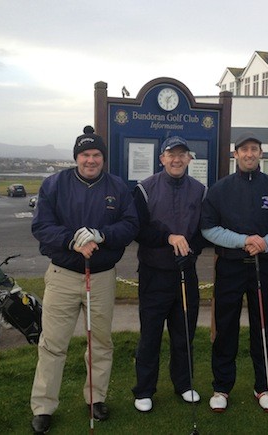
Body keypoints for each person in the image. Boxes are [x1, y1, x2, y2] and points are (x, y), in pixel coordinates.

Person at [30, 126, 139, 434]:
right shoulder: (54, 184)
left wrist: (101, 235)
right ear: (76, 157)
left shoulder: (117, 187)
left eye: (96, 155)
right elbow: (41, 226)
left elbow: (131, 225)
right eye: (85, 155)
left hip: (102, 277)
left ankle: (96, 398)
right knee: (52, 344)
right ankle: (43, 406)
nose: (91, 160)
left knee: (100, 342)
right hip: (63, 275)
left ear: (103, 158)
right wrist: (72, 240)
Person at [201, 132, 268, 412]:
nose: (249, 154)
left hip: (262, 267)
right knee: (226, 328)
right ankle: (222, 387)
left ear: (261, 154)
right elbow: (208, 228)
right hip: (229, 266)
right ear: (235, 155)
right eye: (243, 150)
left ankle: (263, 387)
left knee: (262, 328)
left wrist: (265, 242)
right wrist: (243, 241)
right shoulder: (220, 189)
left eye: (254, 149)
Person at [131, 136, 207, 412]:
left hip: (186, 273)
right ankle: (144, 390)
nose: (176, 159)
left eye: (181, 154)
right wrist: (169, 237)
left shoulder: (200, 190)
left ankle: (184, 384)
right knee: (150, 335)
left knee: (184, 334)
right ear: (161, 159)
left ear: (189, 158)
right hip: (154, 273)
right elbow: (139, 230)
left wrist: (190, 250)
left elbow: (203, 231)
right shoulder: (145, 189)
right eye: (170, 154)